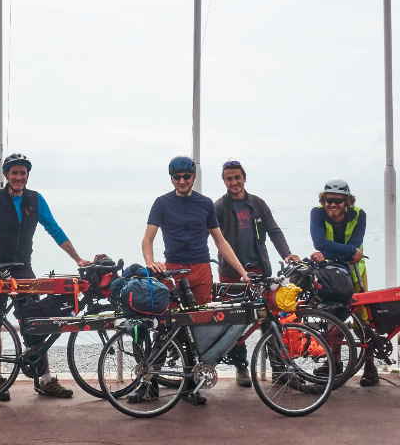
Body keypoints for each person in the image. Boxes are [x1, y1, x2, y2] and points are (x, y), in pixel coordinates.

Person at [0, 152, 90, 400]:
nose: (19, 177)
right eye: (15, 173)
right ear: (7, 176)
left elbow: (54, 229)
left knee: (37, 321)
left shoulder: (36, 200)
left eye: (23, 173)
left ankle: (44, 380)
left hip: (23, 266)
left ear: (27, 175)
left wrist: (77, 258)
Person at [142, 156, 249, 404]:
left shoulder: (205, 204)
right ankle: (150, 384)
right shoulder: (161, 203)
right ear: (171, 178)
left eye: (186, 177)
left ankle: (191, 386)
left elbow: (220, 241)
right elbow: (148, 239)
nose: (181, 181)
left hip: (201, 271)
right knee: (166, 327)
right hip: (173, 271)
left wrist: (242, 272)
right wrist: (151, 263)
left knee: (198, 328)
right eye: (176, 177)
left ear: (194, 177)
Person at [214, 159, 301, 387]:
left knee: (269, 320)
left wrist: (287, 254)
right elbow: (207, 235)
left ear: (244, 178)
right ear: (224, 181)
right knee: (235, 324)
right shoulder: (219, 207)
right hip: (231, 274)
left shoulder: (258, 204)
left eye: (237, 177)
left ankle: (278, 368)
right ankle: (241, 368)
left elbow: (274, 230)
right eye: (229, 179)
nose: (234, 182)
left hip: (260, 270)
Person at [308, 178, 377, 386]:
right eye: (329, 200)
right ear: (323, 199)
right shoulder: (317, 213)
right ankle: (334, 362)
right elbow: (319, 242)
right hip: (331, 273)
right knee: (332, 315)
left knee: (363, 317)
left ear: (347, 201)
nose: (333, 205)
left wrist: (329, 253)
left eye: (338, 201)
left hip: (355, 273)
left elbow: (356, 245)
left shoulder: (359, 215)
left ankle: (370, 365)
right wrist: (351, 252)